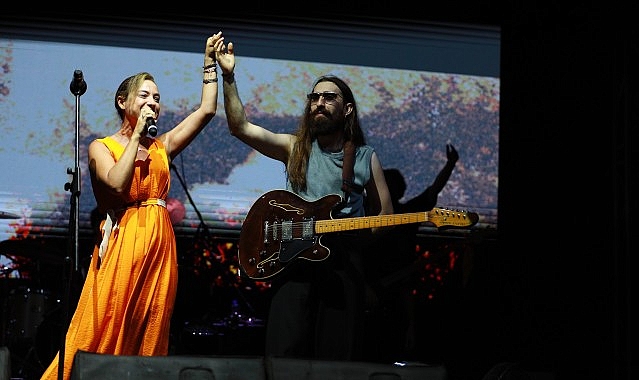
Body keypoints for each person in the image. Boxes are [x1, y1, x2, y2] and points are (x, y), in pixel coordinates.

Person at [40, 32, 225, 380]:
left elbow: (207, 110)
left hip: (159, 246)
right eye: (144, 96)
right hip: (124, 243)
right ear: (122, 101)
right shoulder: (102, 146)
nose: (153, 103)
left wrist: (209, 66)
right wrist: (137, 135)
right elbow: (117, 184)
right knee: (108, 324)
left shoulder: (162, 146)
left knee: (151, 327)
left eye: (157, 98)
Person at [215, 34, 394, 361]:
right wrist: (228, 77)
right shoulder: (295, 147)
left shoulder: (366, 157)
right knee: (284, 354)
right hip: (295, 261)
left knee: (337, 356)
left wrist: (358, 233)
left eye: (329, 97)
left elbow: (385, 214)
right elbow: (239, 126)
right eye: (314, 97)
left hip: (343, 266)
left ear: (347, 108)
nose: (319, 103)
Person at [363, 143, 459, 363]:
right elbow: (433, 191)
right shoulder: (367, 217)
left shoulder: (405, 216)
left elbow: (433, 191)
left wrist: (450, 164)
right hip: (373, 296)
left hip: (392, 298)